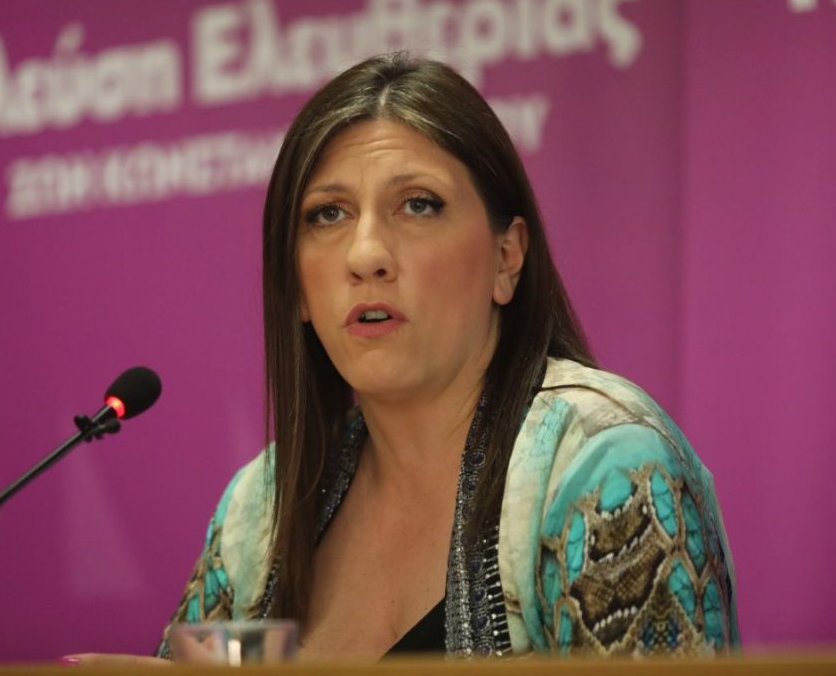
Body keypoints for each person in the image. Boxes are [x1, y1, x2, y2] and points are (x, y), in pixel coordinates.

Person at [66, 52, 738, 665]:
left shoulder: (603, 466)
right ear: (297, 287)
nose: (366, 255)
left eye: (418, 205)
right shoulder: (260, 510)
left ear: (507, 258)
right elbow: (217, 667)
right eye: (328, 215)